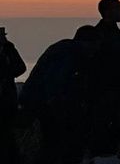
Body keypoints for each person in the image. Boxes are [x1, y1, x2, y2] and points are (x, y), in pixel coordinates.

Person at [20, 24, 102, 164]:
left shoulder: (65, 50)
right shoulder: (70, 54)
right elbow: (56, 82)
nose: (97, 49)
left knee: (53, 143)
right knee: (55, 143)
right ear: (89, 43)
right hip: (45, 103)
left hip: (40, 101)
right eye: (96, 44)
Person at [90, 0, 120, 155]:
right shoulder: (101, 35)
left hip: (115, 88)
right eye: (118, 7)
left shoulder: (113, 32)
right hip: (105, 90)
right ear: (108, 11)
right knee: (103, 127)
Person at [0, 27, 27, 164]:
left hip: (6, 104)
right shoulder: (5, 52)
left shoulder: (5, 52)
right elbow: (18, 68)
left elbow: (19, 68)